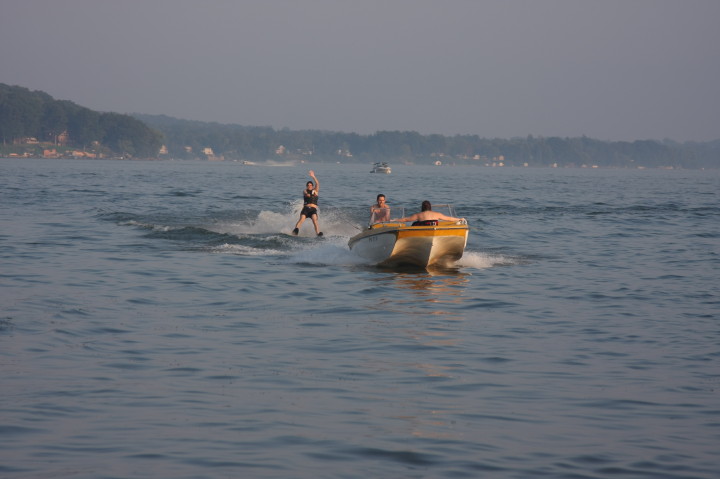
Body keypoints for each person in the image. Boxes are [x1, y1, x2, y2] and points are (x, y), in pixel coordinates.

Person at [292, 170, 323, 236]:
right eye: (308, 185)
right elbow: (306, 194)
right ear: (307, 186)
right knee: (301, 220)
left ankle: (318, 233)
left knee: (315, 220)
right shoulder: (305, 191)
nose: (309, 186)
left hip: (313, 210)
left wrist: (313, 176)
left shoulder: (316, 191)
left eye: (311, 185)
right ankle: (295, 231)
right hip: (305, 209)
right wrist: (309, 195)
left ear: (312, 186)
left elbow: (317, 184)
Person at [394, 200, 465, 226]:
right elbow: (449, 218)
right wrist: (459, 219)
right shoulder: (437, 214)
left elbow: (406, 219)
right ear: (430, 207)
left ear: (422, 207)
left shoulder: (418, 215)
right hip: (434, 231)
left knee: (414, 224)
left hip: (423, 233)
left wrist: (395, 220)